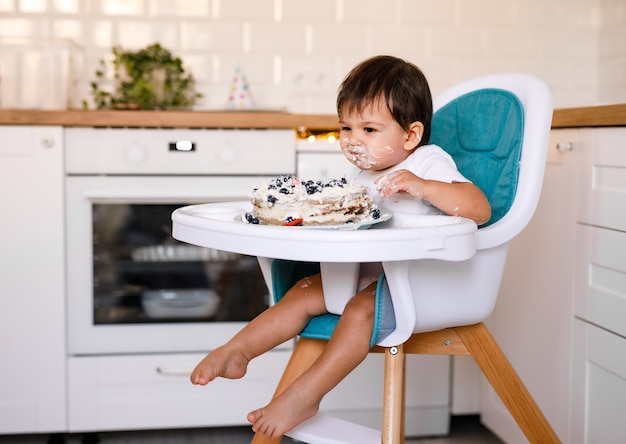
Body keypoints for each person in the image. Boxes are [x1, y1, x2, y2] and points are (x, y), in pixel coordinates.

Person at [190, 55, 492, 439]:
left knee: (359, 311)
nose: (353, 140)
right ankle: (239, 350)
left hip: (417, 283)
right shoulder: (365, 174)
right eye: (346, 128)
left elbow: (479, 208)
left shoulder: (428, 162)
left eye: (368, 129)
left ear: (411, 136)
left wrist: (423, 186)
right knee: (302, 294)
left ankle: (306, 394)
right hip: (367, 275)